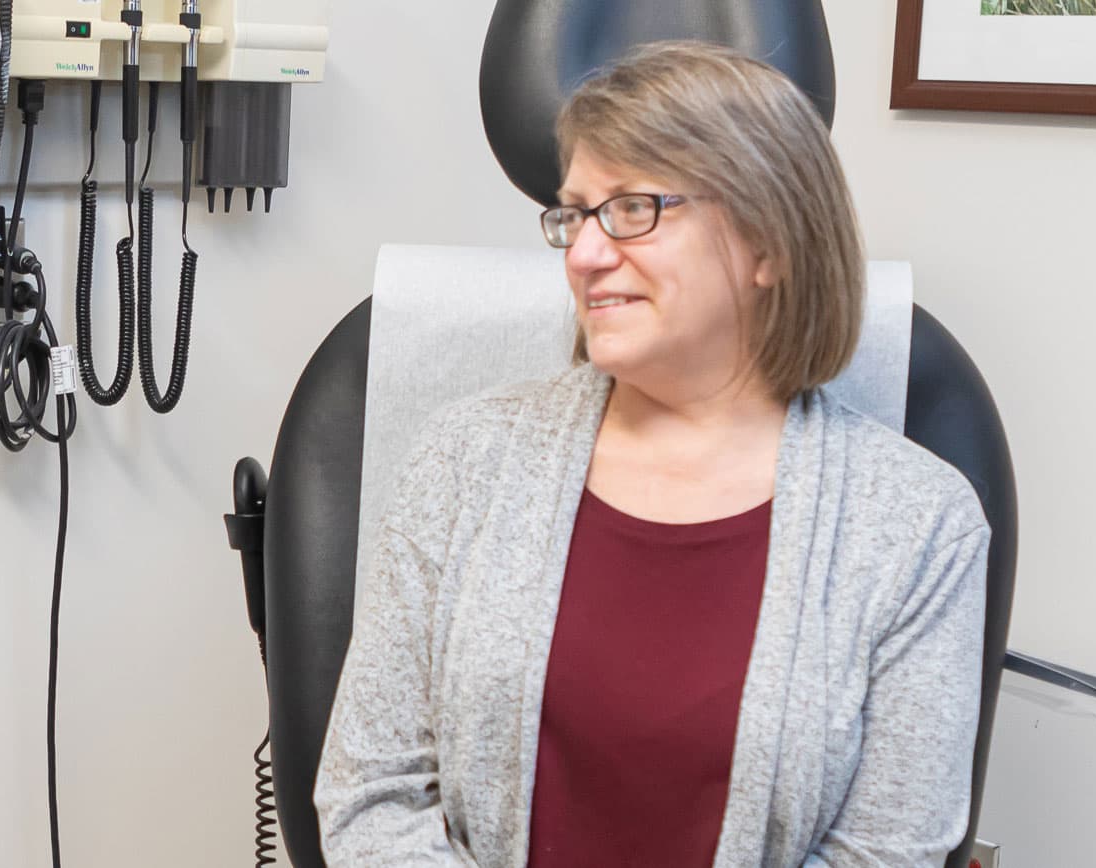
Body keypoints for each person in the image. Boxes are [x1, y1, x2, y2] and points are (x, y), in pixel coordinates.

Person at [314, 41, 989, 867]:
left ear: (770, 241)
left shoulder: (918, 525)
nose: (584, 254)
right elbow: (371, 798)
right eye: (575, 214)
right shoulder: (463, 462)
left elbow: (884, 854)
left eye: (633, 208)